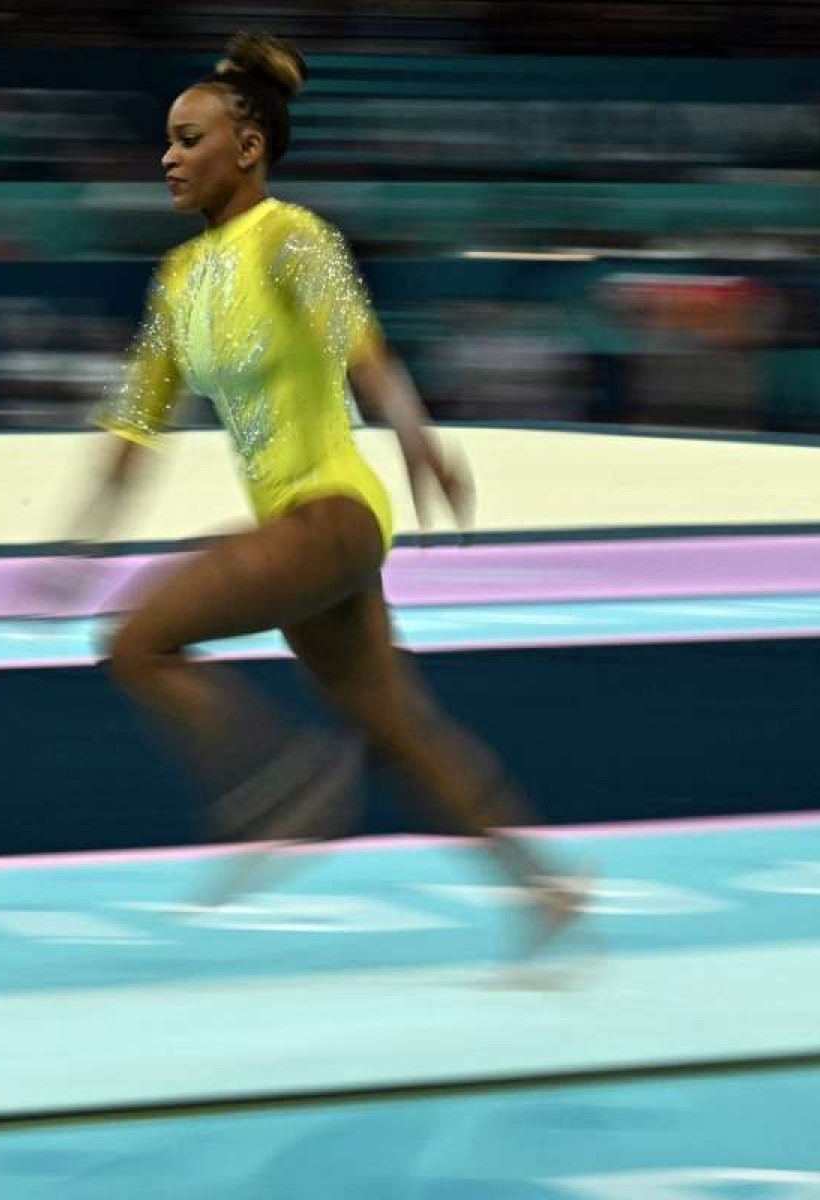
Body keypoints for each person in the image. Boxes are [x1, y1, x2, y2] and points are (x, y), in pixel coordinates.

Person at [48, 32, 586, 956]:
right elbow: (134, 427)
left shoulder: (295, 237)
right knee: (400, 732)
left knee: (136, 642)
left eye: (187, 139)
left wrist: (420, 443)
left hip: (331, 511)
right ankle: (542, 888)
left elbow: (362, 347)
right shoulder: (177, 283)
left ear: (246, 147)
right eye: (166, 141)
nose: (167, 157)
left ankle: (283, 782)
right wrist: (74, 547)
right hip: (300, 535)